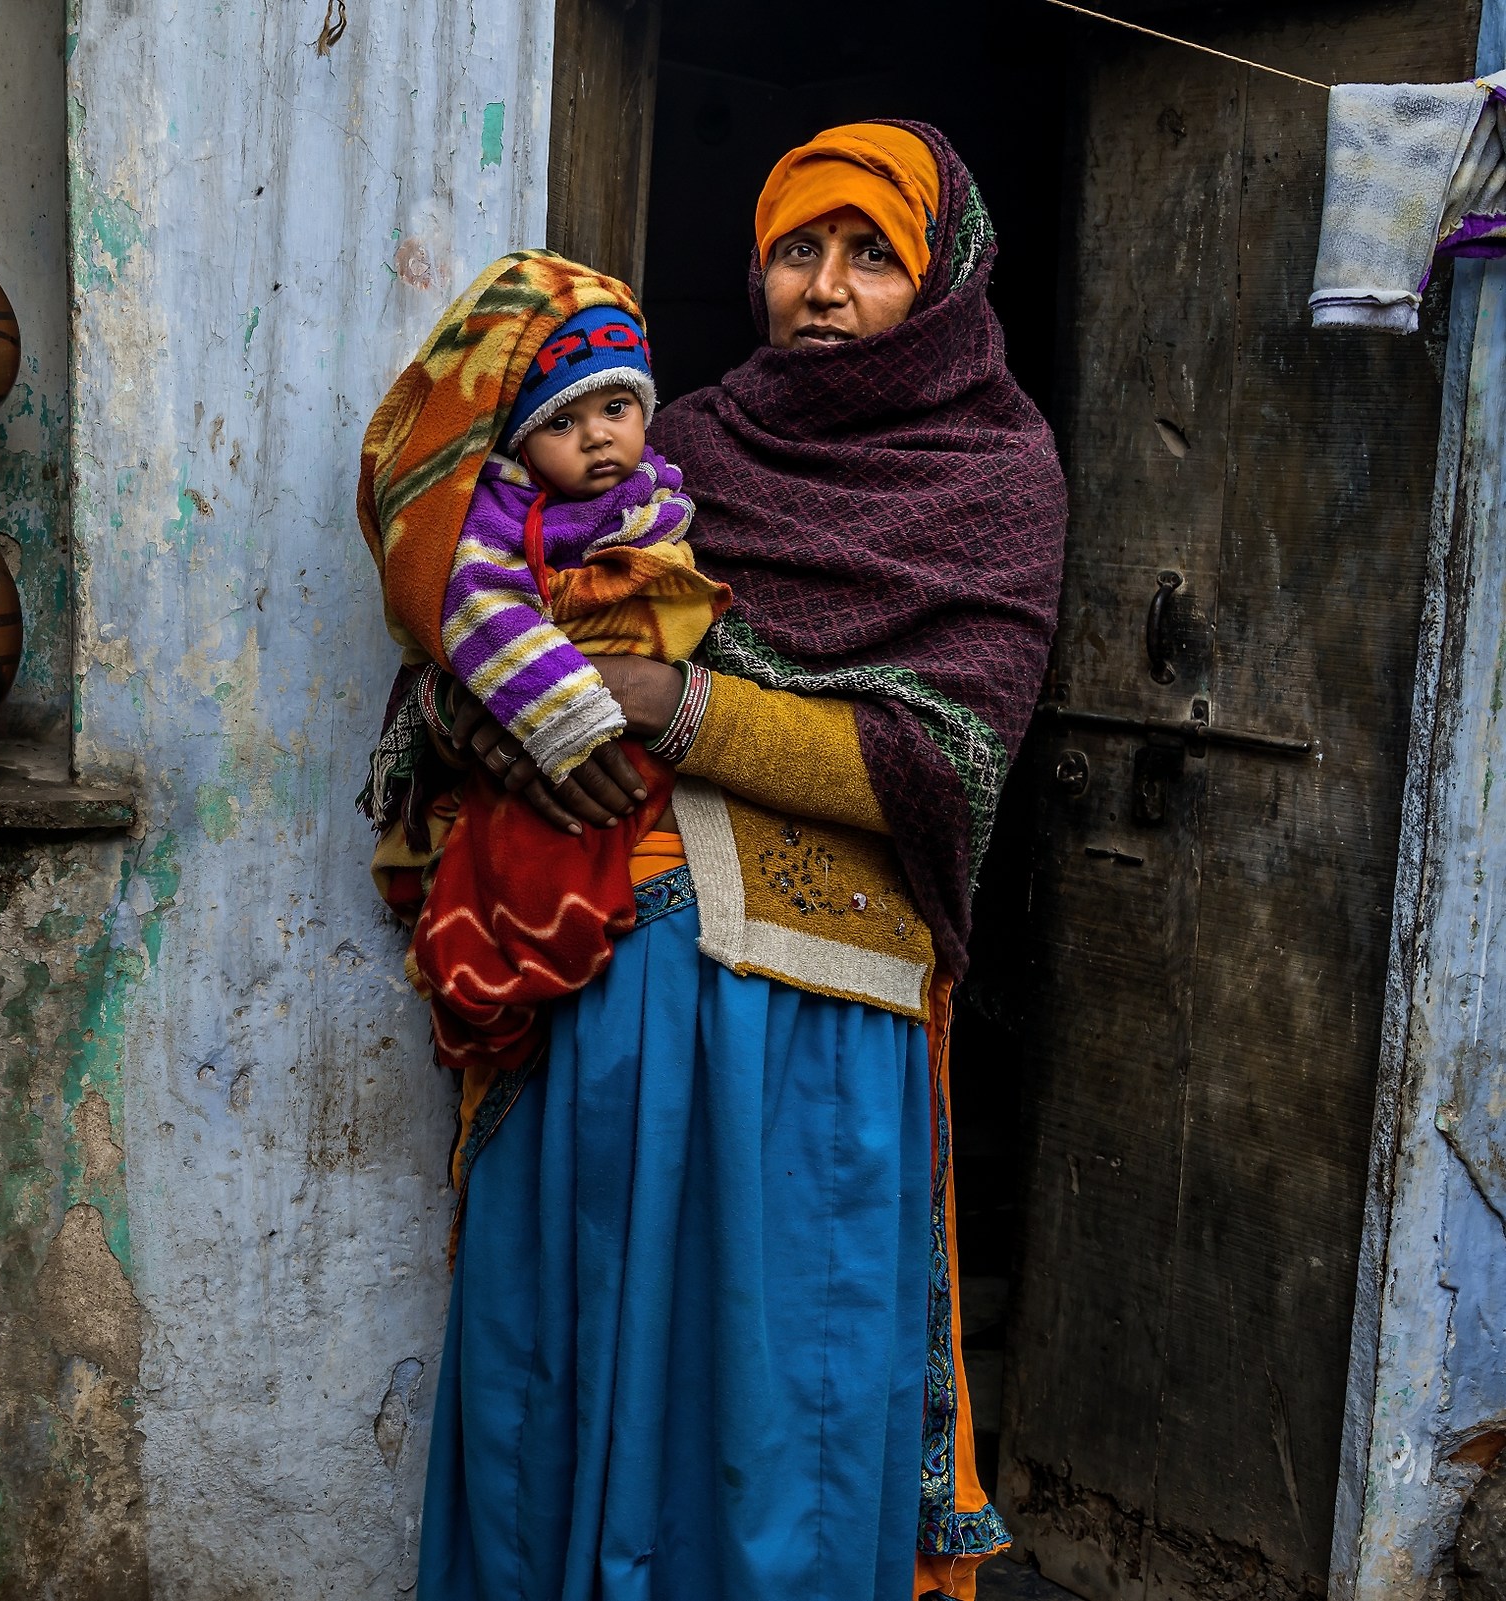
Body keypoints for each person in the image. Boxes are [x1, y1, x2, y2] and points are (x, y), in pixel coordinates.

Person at [359, 121, 1067, 1599]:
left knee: (781, 1408)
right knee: (567, 1369)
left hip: (818, 1033)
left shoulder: (998, 476)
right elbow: (489, 624)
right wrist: (463, 712)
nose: (827, 285)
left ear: (943, 276)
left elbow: (945, 760)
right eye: (798, 249)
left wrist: (672, 704)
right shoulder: (677, 442)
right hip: (607, 1010)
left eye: (873, 252)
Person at [360, 275, 729, 1090]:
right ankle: (497, 984)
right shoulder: (500, 510)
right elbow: (479, 605)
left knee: (594, 860)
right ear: (519, 439)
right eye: (561, 422)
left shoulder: (660, 481)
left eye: (616, 409)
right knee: (522, 867)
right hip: (560, 724)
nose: (597, 439)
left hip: (644, 756)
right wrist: (569, 712)